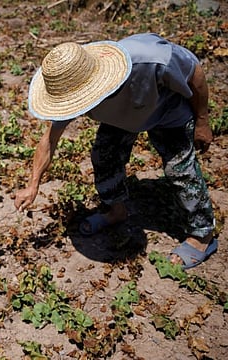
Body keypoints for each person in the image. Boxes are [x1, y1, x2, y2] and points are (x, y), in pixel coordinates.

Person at [14, 33, 217, 269]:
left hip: (166, 109)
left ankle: (203, 235)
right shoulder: (68, 84)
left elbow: (195, 74)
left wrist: (202, 121)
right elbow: (49, 140)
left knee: (180, 170)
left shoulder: (152, 60)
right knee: (104, 155)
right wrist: (33, 184)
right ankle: (115, 211)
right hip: (121, 118)